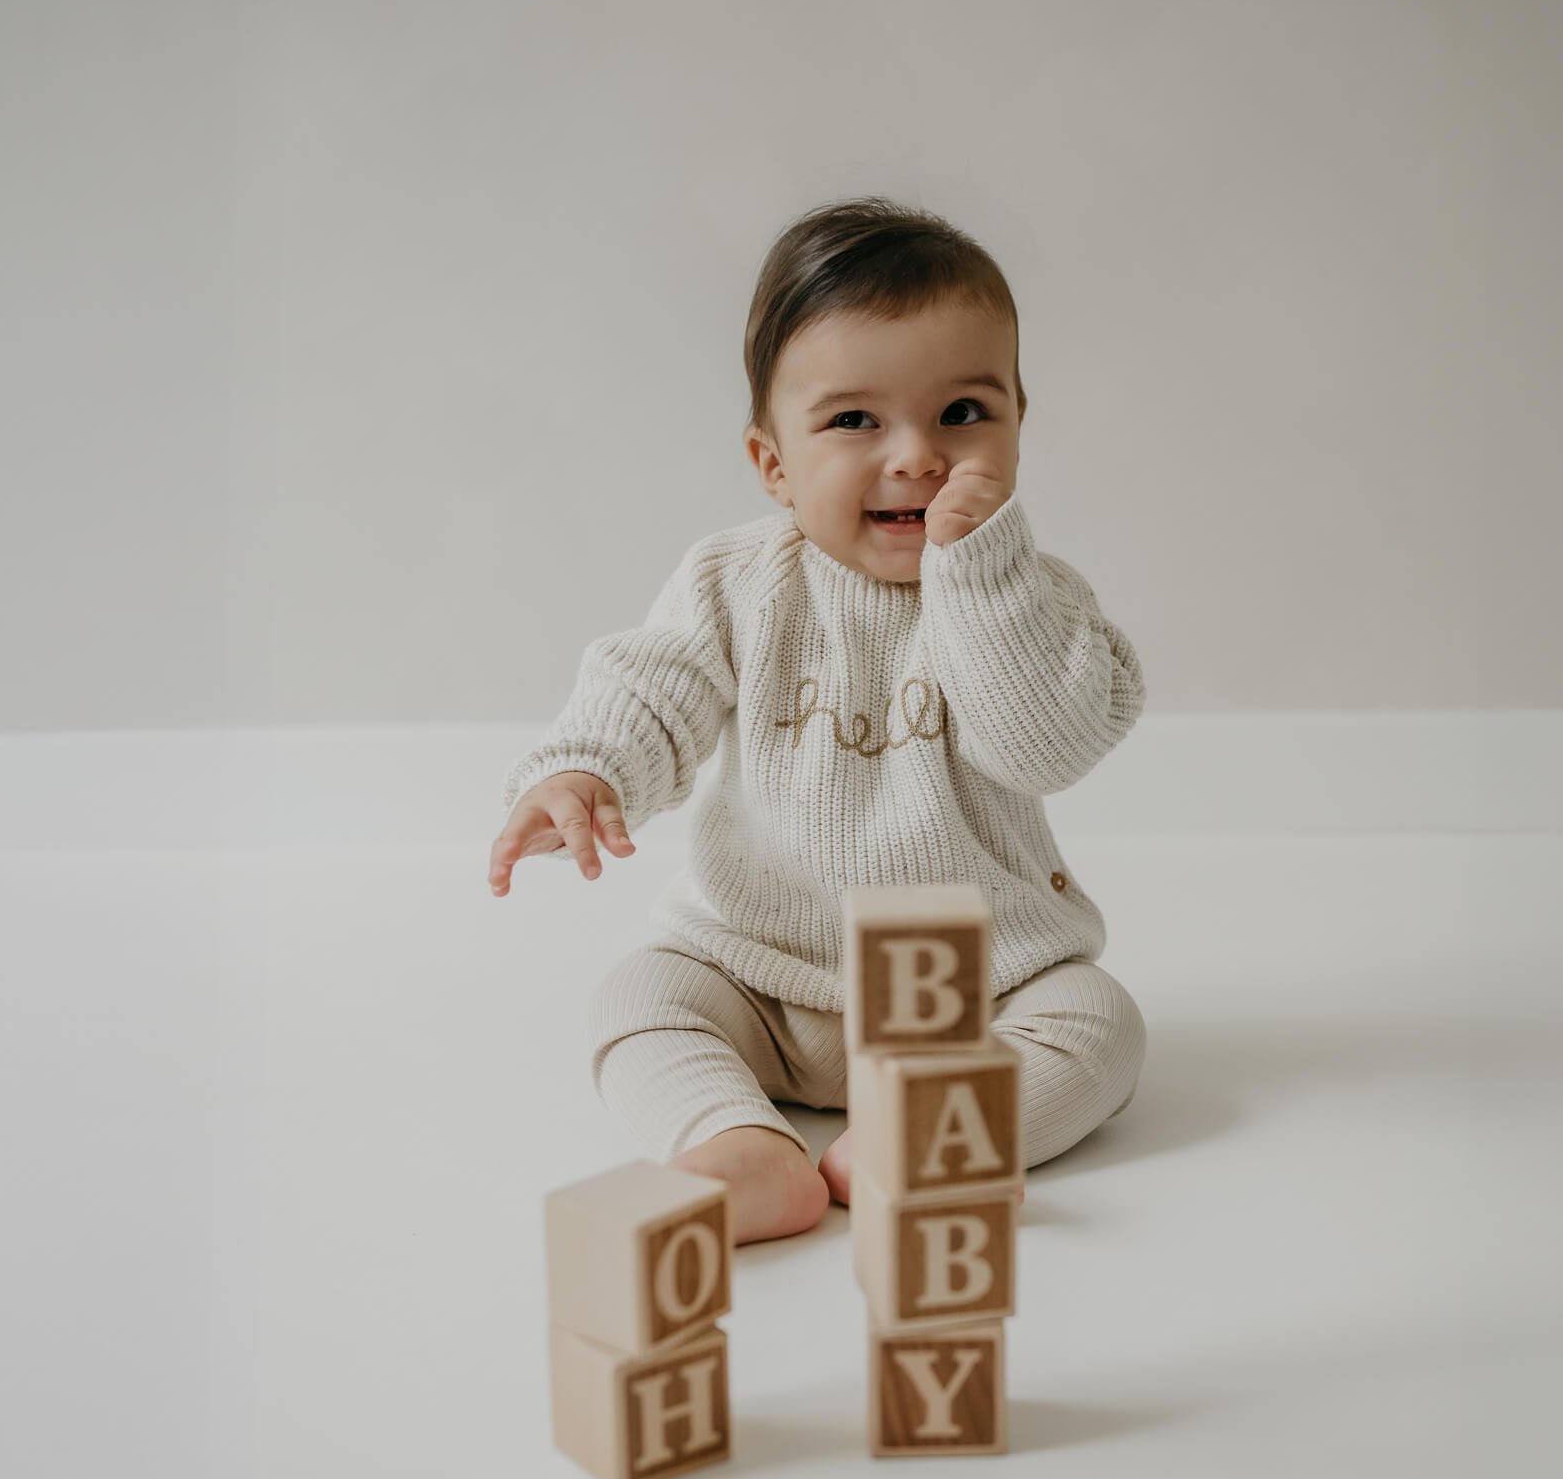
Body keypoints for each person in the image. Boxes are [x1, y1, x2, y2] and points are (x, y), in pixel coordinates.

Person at [488, 196, 1146, 1243]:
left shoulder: (1032, 595)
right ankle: (739, 1140)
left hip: (981, 991)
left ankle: (914, 1135)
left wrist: (977, 574)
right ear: (774, 465)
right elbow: (654, 684)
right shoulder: (737, 580)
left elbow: (1047, 742)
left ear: (1020, 423)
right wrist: (585, 769)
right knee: (637, 996)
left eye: (964, 414)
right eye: (855, 421)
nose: (917, 456)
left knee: (1102, 1026)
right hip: (761, 974)